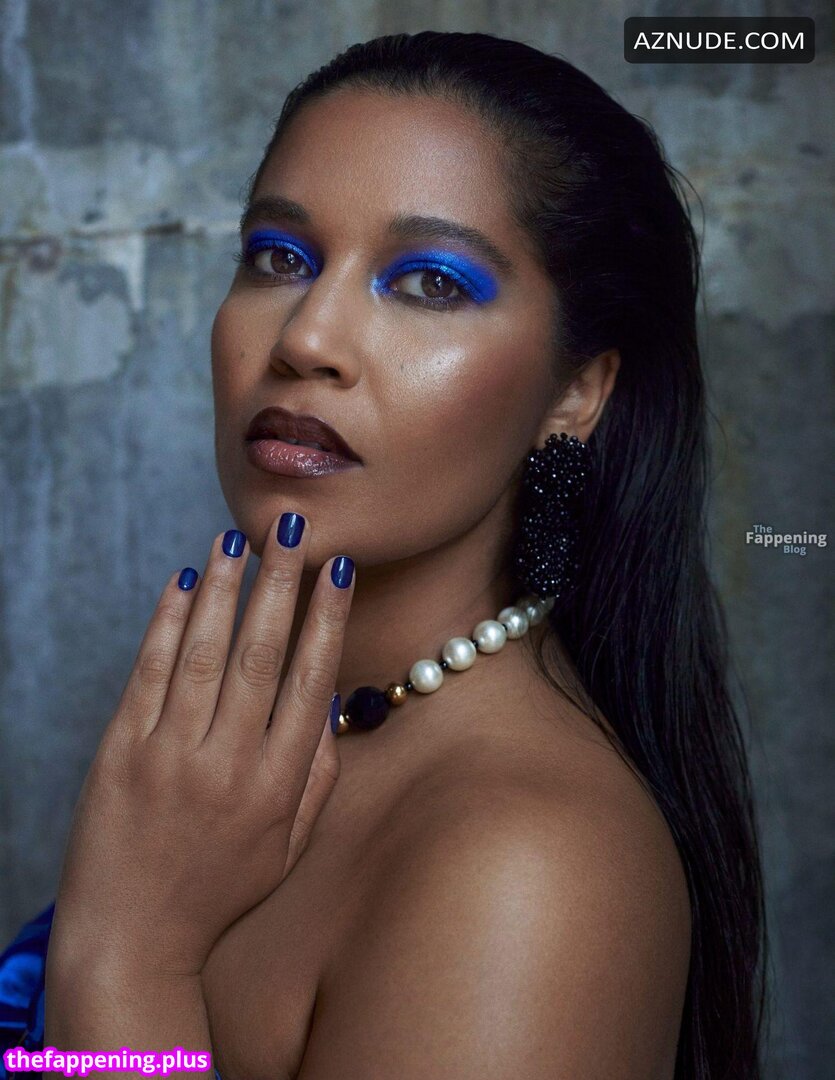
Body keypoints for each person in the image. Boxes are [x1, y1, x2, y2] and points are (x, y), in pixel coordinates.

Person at [0, 30, 766, 1080]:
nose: (304, 338)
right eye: (280, 258)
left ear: (574, 391)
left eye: (430, 283)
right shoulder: (241, 752)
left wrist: (127, 954)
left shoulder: (532, 863)